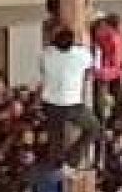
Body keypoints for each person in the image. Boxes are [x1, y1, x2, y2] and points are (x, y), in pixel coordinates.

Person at [39, 25, 100, 173]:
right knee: (94, 128)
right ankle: (72, 159)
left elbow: (42, 70)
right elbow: (93, 65)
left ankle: (57, 166)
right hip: (72, 104)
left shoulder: (45, 54)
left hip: (50, 103)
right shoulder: (81, 54)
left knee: (55, 138)